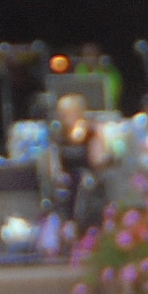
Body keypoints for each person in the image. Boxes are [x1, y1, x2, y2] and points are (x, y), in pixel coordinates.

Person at [42, 94, 105, 249]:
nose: (63, 117)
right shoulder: (58, 135)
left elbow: (97, 160)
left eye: (67, 113)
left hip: (87, 177)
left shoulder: (91, 132)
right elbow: (54, 161)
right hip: (67, 178)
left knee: (81, 182)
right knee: (62, 186)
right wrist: (56, 173)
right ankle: (64, 229)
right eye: (61, 114)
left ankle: (76, 227)